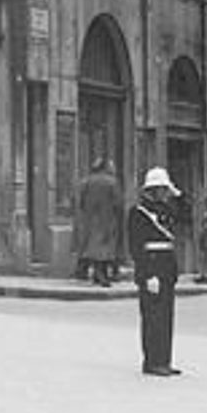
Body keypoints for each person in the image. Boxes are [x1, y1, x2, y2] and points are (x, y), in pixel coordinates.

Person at [128, 165, 182, 377]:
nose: (164, 193)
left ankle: (164, 360)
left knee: (166, 317)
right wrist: (148, 273)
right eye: (162, 189)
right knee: (153, 317)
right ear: (152, 190)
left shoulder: (166, 209)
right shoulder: (138, 213)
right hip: (151, 268)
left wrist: (177, 193)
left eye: (165, 189)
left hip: (167, 268)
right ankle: (152, 362)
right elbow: (136, 246)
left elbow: (185, 215)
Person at [71, 155, 120, 285]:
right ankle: (101, 274)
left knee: (90, 246)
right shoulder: (112, 182)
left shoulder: (85, 181)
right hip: (107, 219)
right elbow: (117, 202)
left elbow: (79, 201)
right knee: (104, 247)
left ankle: (90, 273)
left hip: (89, 219)